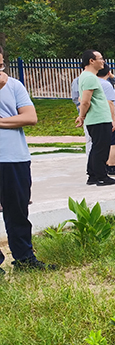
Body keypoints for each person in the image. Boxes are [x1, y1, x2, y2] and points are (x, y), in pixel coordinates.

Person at [0, 44, 55, 271]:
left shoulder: (14, 86)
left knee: (18, 212)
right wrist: (11, 119)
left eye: (0, 64)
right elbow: (19, 117)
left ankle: (25, 260)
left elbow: (30, 117)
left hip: (15, 157)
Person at [75, 50, 115, 186]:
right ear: (91, 61)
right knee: (101, 148)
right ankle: (102, 176)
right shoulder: (90, 77)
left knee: (96, 147)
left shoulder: (86, 76)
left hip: (96, 118)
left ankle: (93, 176)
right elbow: (85, 101)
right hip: (99, 118)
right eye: (101, 58)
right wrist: (82, 116)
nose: (103, 61)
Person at [98, 64, 115, 176]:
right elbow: (110, 102)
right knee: (114, 144)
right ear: (108, 72)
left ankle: (106, 164)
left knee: (107, 143)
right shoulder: (106, 85)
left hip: (102, 116)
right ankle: (112, 167)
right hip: (114, 117)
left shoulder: (95, 82)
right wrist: (113, 119)